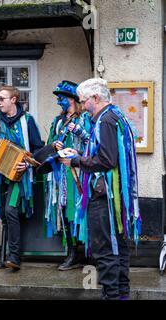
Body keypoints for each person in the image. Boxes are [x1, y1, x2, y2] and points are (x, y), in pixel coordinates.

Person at [59, 78, 141, 300]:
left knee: (105, 250)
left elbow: (106, 160)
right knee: (118, 247)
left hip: (105, 197)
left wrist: (76, 161)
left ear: (96, 98)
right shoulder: (116, 116)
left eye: (85, 101)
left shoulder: (105, 121)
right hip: (115, 197)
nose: (83, 106)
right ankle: (121, 295)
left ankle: (112, 296)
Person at [0, 85, 44, 271]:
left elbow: (38, 148)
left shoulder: (27, 121)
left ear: (13, 100)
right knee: (4, 214)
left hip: (20, 177)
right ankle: (5, 256)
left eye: (2, 98)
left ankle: (14, 257)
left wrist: (26, 163)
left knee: (11, 210)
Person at [43, 80, 92, 271]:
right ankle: (72, 253)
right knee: (64, 212)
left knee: (80, 211)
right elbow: (49, 144)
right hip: (60, 175)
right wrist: (55, 144)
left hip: (79, 173)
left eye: (61, 98)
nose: (59, 102)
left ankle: (87, 254)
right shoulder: (57, 121)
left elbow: (92, 143)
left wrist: (78, 130)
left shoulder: (85, 118)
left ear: (72, 99)